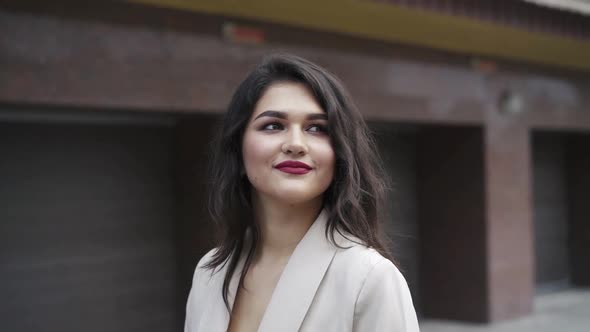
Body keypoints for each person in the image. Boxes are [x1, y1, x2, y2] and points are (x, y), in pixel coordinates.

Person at [184, 54, 419, 332]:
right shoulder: (209, 272)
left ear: (339, 153)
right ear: (239, 149)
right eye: (273, 126)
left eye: (316, 128)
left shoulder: (370, 279)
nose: (296, 144)